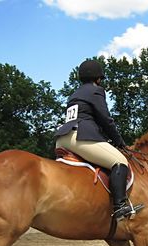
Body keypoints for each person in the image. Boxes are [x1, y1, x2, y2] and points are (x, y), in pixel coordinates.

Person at [55, 59, 138, 221]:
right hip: (79, 137)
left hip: (62, 138)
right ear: (98, 78)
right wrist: (120, 142)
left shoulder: (74, 94)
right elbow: (106, 120)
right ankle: (120, 206)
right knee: (120, 161)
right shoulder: (96, 91)